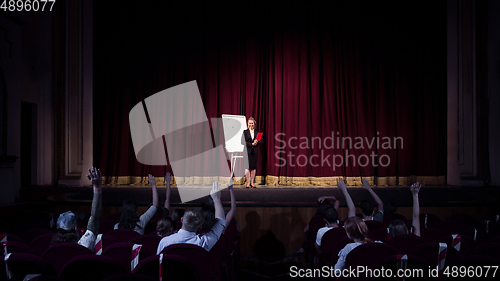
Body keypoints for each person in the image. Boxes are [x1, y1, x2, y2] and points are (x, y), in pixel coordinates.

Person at [156, 181, 227, 254]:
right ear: (200, 227)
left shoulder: (165, 242)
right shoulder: (203, 243)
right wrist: (216, 199)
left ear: (182, 219)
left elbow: (158, 263)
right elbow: (221, 222)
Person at [52, 167, 102, 251]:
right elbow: (94, 218)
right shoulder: (84, 244)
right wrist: (97, 187)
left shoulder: (52, 250)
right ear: (76, 229)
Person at [242, 117, 264, 188]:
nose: (251, 124)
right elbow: (242, 142)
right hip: (246, 152)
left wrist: (256, 142)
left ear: (254, 124)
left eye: (252, 123)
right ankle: (248, 183)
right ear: (247, 124)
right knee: (247, 167)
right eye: (249, 123)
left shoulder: (258, 132)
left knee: (253, 167)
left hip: (254, 152)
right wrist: (251, 144)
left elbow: (262, 141)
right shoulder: (245, 132)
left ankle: (252, 183)